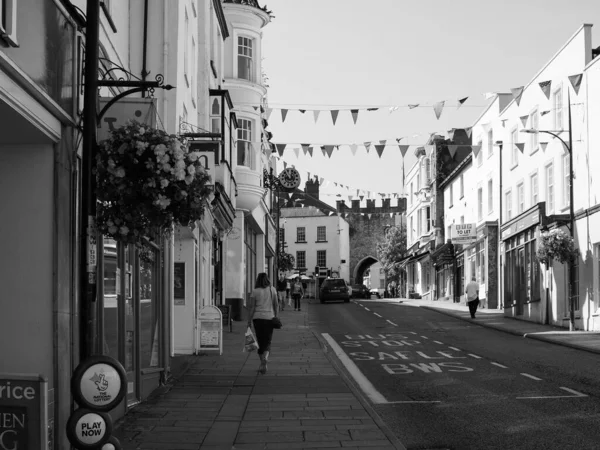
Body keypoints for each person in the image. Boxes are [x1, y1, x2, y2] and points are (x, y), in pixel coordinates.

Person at [247, 273, 279, 374]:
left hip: (258, 319)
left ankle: (262, 363)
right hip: (269, 318)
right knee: (268, 341)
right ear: (267, 279)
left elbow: (252, 307)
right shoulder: (272, 289)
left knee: (260, 342)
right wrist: (276, 316)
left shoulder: (255, 291)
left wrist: (249, 320)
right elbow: (276, 305)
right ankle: (265, 357)